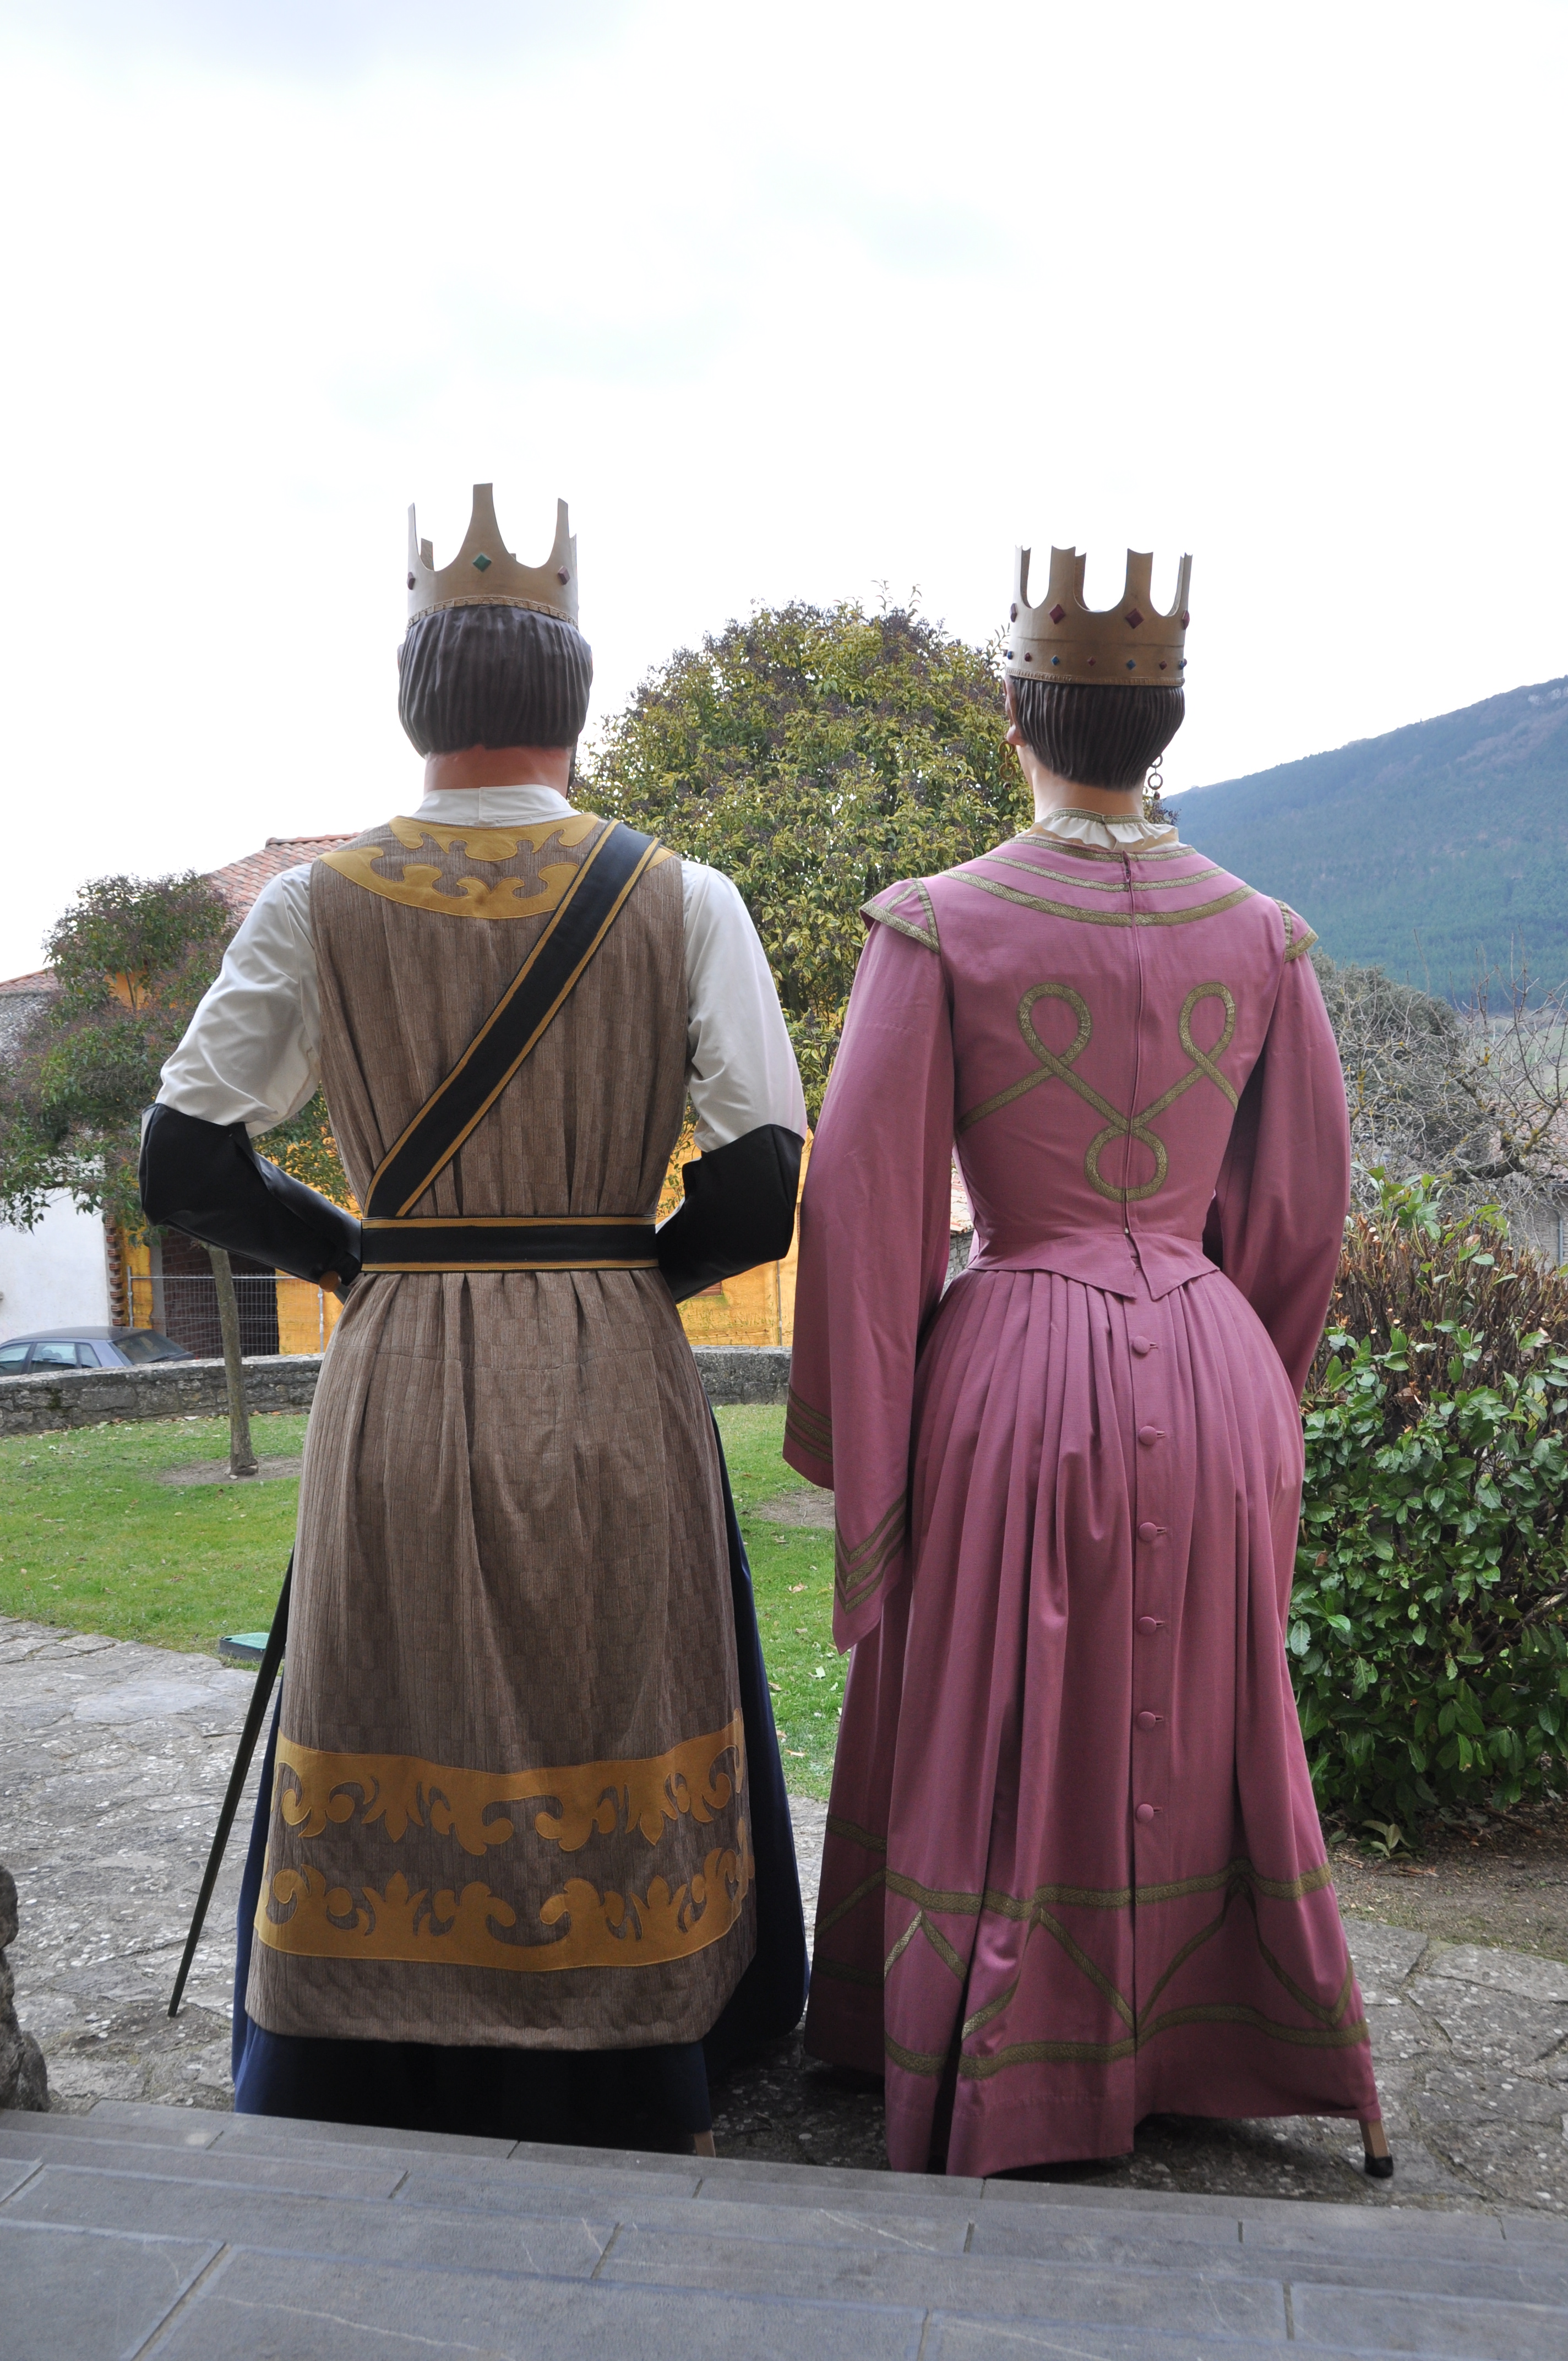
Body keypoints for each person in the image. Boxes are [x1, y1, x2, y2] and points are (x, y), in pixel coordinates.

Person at [141, 485, 809, 2151]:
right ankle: (638, 2050)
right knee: (616, 1683)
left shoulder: (314, 905)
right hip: (608, 1362)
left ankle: (362, 2062)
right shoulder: (686, 899)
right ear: (573, 698)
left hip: (401, 1364)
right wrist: (623, 1280)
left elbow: (183, 1160)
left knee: (392, 1683)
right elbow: (760, 1189)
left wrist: (354, 1256)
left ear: (412, 700)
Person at [784, 546, 1389, 2179]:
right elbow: (1302, 1205)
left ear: (1015, 721)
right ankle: (1191, 2039)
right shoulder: (1265, 939)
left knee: (997, 1713)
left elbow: (862, 1198)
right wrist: (1245, 1385)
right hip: (1212, 1363)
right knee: (1202, 1716)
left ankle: (1002, 2050)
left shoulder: (936, 926)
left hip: (1013, 1373)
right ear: (1166, 728)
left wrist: (868, 1428)